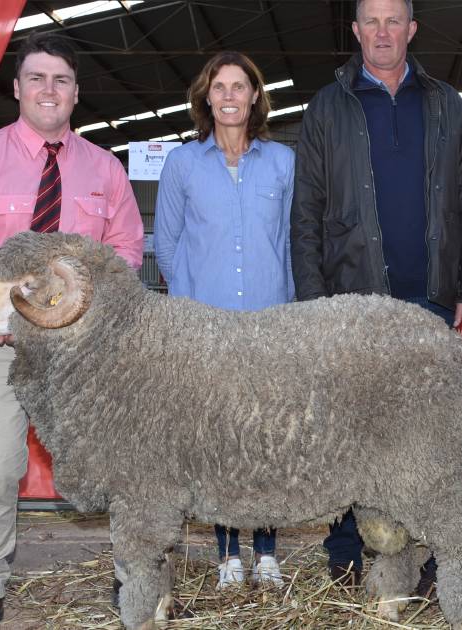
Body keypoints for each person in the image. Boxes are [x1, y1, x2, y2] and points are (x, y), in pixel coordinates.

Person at [0, 32, 144, 630]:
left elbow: (126, 248)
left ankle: (132, 572)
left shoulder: (104, 168)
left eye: (60, 80)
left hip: (82, 350)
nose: (48, 89)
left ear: (76, 93)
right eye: (36, 78)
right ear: (17, 88)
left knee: (117, 463)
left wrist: (87, 312)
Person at [291, 0, 462, 592]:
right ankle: (348, 552)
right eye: (370, 22)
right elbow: (306, 214)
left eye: (393, 21)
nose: (382, 32)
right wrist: (313, 307)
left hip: (430, 302)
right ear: (355, 31)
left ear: (411, 30)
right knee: (350, 434)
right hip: (353, 310)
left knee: (427, 438)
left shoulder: (449, 106)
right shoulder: (328, 108)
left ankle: (430, 557)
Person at [153, 51, 291, 590]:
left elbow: (292, 243)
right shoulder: (183, 164)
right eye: (220, 87)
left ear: (255, 96)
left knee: (266, 441)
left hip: (269, 325)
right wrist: (187, 311)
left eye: (240, 86)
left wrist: (292, 313)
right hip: (205, 328)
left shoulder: (283, 162)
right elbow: (166, 242)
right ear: (206, 97)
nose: (230, 96)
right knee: (218, 442)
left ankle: (267, 552)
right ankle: (228, 553)